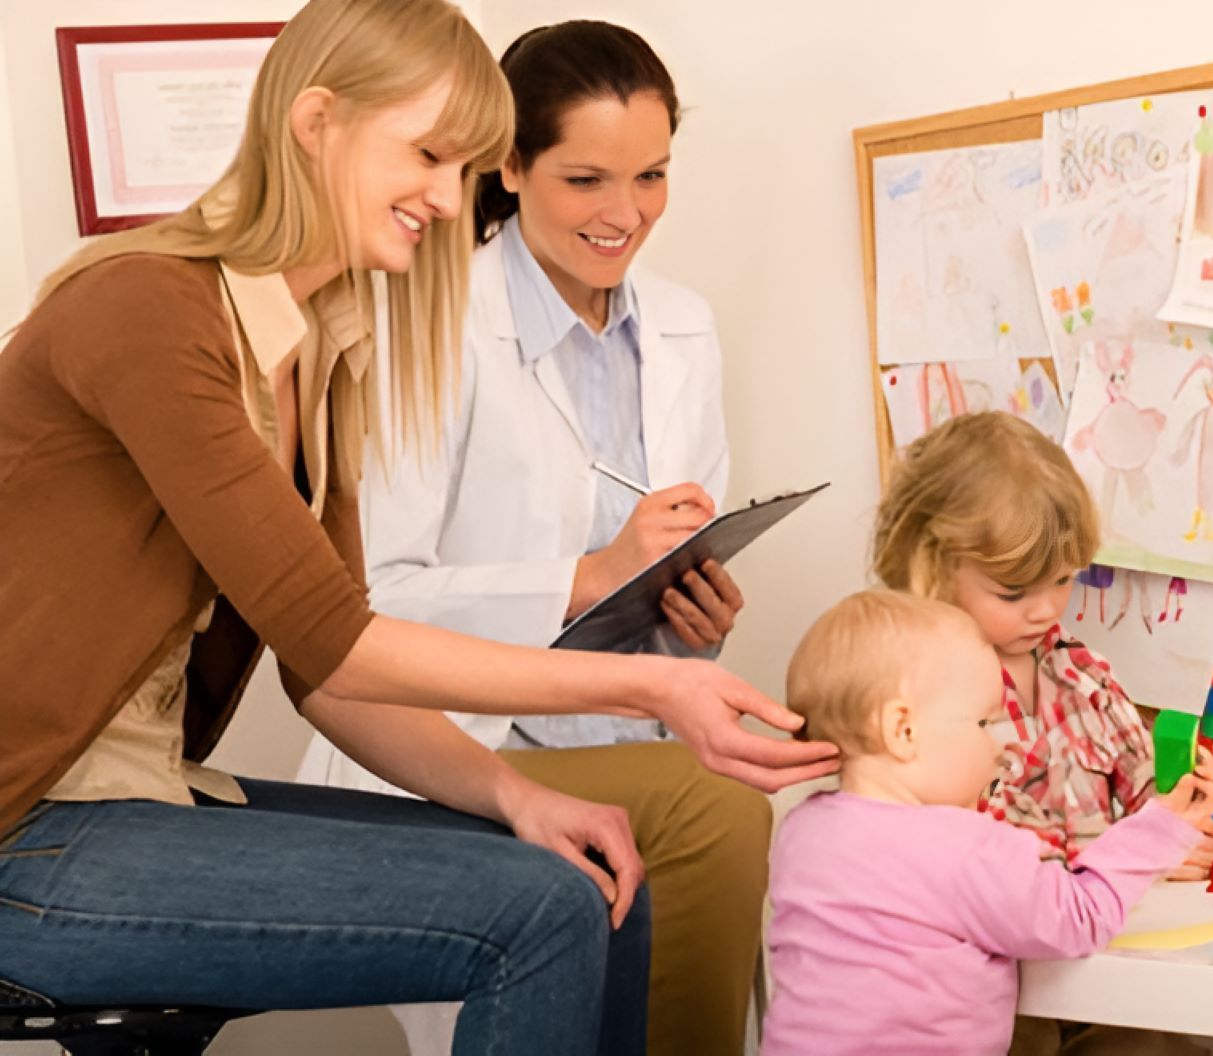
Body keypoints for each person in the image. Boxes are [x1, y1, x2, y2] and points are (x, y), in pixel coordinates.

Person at [0, 3, 834, 1052]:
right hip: (28, 830)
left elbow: (324, 678)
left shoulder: (322, 347)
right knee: (534, 918)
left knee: (590, 876)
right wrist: (654, 681)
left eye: (465, 165)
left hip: (140, 800)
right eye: (430, 156)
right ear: (316, 122)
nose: (450, 199)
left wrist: (517, 798)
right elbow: (335, 636)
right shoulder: (147, 310)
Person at [296, 21, 766, 1054]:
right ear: (508, 165)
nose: (625, 213)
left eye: (651, 175)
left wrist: (687, 619)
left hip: (618, 728)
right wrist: (586, 575)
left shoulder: (684, 327)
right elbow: (361, 606)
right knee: (715, 812)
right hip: (459, 739)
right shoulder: (430, 317)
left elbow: (650, 596)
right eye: (586, 178)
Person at [871, 411, 1213, 1054]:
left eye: (1063, 579)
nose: (1047, 608)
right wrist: (1129, 854)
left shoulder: (1082, 675)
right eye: (1014, 590)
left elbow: (1156, 804)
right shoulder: (910, 702)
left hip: (1109, 977)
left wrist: (1210, 798)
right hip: (992, 997)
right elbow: (947, 860)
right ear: (930, 568)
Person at [762, 590, 1213, 1054]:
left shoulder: (801, 832)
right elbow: (1080, 916)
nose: (1001, 747)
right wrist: (1162, 828)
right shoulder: (968, 846)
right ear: (903, 731)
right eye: (983, 724)